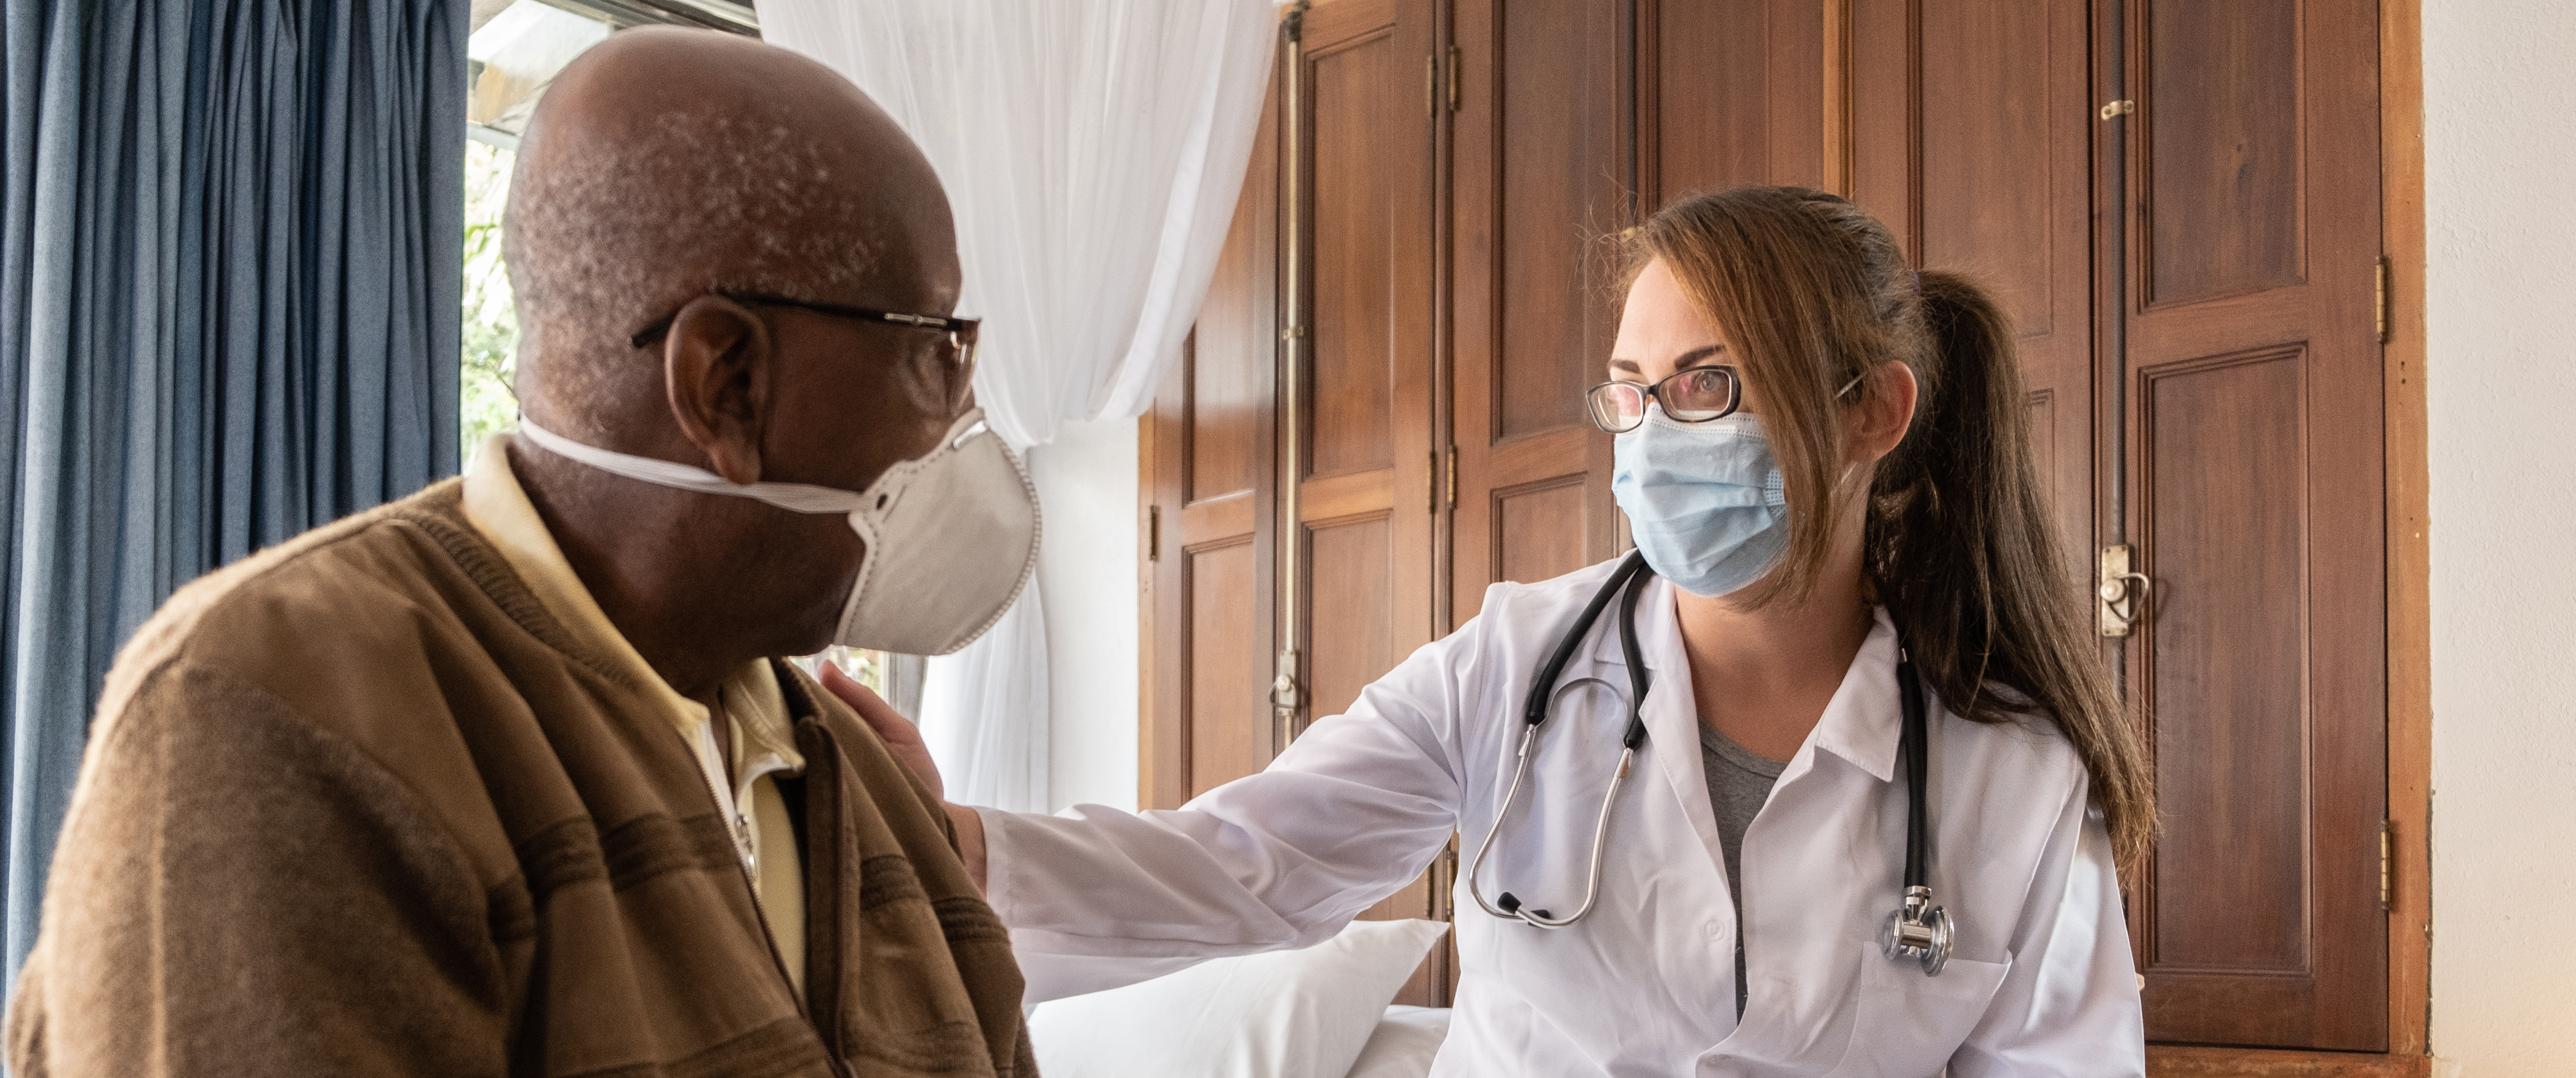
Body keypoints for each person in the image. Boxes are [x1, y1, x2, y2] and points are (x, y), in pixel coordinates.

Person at [834, 186, 2154, 1075]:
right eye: (1632, 392)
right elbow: (1246, 866)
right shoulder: (1517, 664)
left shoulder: (2010, 779)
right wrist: (949, 843)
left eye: (1708, 386)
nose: (1651, 436)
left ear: (1872, 413)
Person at [7, 28, 1040, 1078]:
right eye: (935, 350)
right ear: (725, 385)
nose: (961, 411)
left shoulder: (860, 785)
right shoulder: (279, 710)